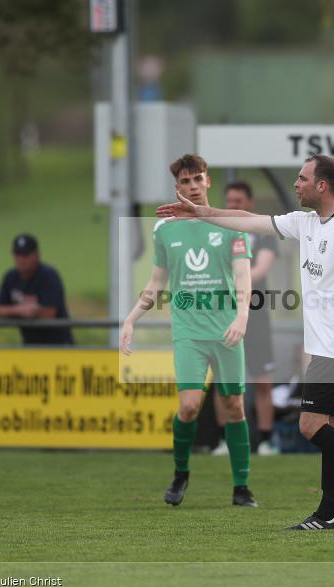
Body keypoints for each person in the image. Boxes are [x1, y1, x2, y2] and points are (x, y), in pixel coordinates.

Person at [156, 154, 334, 532]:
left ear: (322, 185)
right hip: (330, 346)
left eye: (302, 178)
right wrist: (200, 213)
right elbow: (248, 221)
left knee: (309, 426)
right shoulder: (304, 222)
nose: (295, 184)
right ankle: (327, 515)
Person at [120, 154, 257, 508]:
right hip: (189, 334)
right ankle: (181, 473)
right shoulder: (165, 230)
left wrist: (242, 316)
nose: (193, 186)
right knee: (190, 406)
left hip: (227, 330)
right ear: (177, 187)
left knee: (234, 405)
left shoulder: (230, 225)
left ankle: (241, 487)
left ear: (208, 182)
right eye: (186, 182)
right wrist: (131, 318)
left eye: (198, 179)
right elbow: (156, 282)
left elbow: (243, 276)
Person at [211, 181, 280, 456]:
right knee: (223, 379)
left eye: (239, 201)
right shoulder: (216, 234)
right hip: (224, 313)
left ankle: (265, 440)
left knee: (262, 379)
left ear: (250, 203)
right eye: (230, 201)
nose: (234, 206)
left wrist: (234, 277)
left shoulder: (263, 234)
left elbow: (261, 269)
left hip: (255, 313)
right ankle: (223, 440)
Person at [0, 234, 74, 346]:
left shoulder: (48, 276)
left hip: (58, 345)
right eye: (17, 255)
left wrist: (34, 311)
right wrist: (19, 310)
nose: (21, 259)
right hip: (30, 345)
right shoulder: (10, 277)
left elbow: (50, 313)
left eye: (26, 255)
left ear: (37, 255)